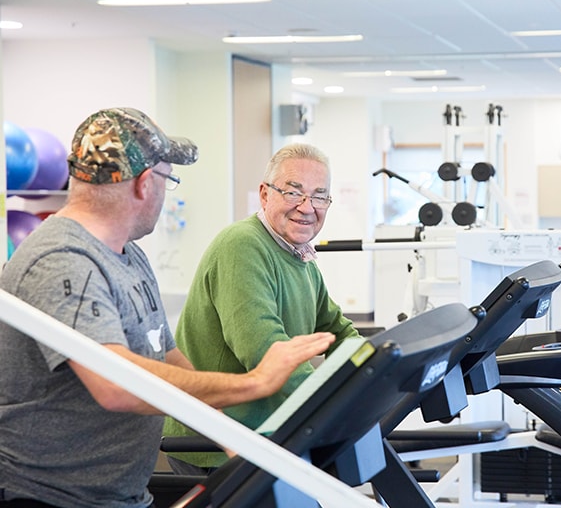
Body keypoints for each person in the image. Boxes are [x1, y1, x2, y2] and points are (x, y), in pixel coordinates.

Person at [0, 108, 334, 508]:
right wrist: (255, 383)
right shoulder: (62, 259)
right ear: (144, 184)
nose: (165, 191)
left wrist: (232, 439)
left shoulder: (128, 255)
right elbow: (115, 383)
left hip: (120, 494)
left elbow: (169, 358)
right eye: (168, 179)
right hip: (51, 498)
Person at [163, 142, 360, 474]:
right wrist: (328, 407)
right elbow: (265, 349)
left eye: (319, 196)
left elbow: (338, 331)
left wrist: (376, 370)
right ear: (265, 194)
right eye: (293, 193)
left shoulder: (301, 257)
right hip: (219, 444)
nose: (307, 207)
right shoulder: (242, 246)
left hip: (269, 436)